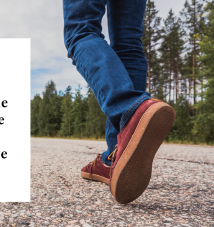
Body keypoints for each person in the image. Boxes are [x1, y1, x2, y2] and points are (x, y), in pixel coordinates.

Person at [63, 0, 176, 204]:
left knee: (80, 30)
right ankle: (115, 155)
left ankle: (129, 110)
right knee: (129, 45)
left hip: (127, 107)